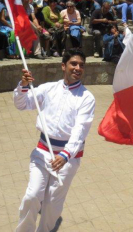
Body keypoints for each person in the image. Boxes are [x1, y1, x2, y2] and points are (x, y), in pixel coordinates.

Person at [13, 49, 95, 232]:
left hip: (69, 158)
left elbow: (80, 130)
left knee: (52, 203)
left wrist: (65, 155)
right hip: (42, 152)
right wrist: (23, 86)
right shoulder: (48, 88)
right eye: (73, 63)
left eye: (81, 65)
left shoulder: (87, 98)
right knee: (32, 195)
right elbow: (21, 104)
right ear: (63, 66)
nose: (77, 68)